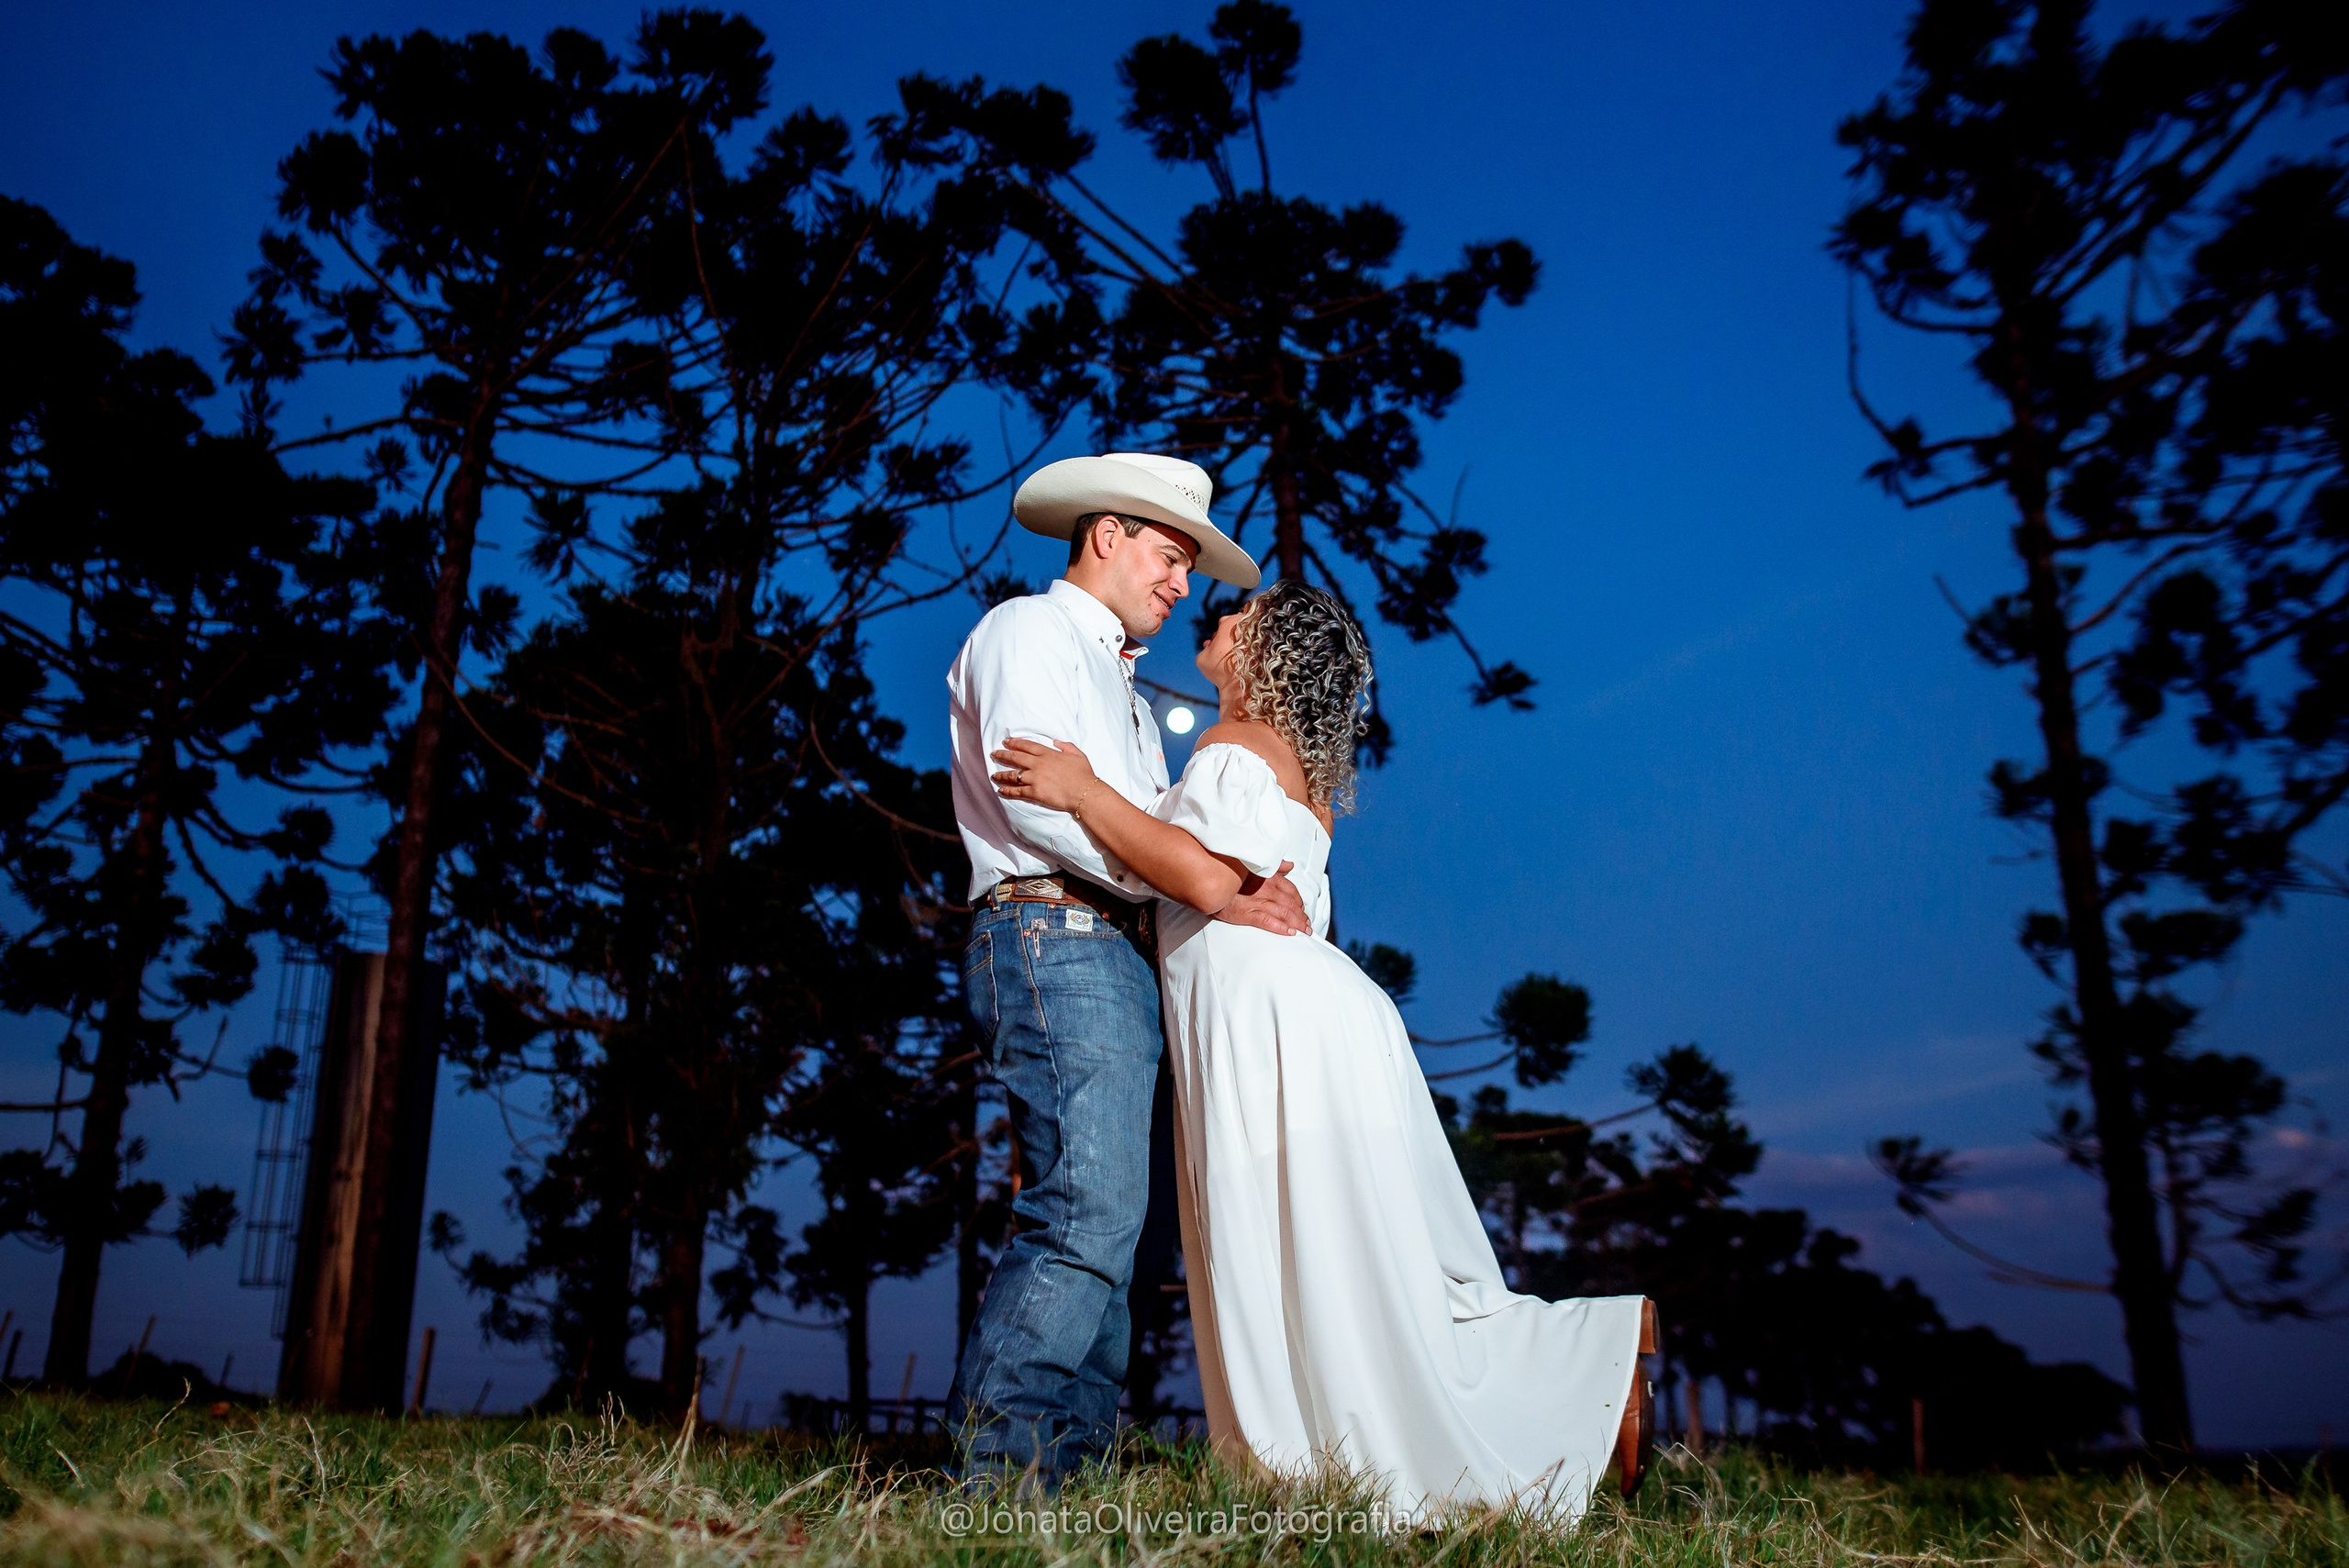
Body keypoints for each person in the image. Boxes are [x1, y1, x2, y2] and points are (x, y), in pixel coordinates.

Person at [992, 578, 1653, 1526]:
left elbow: (1201, 874)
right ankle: (1574, 1367)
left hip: (1271, 1024)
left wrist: (1081, 788)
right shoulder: (1289, 767)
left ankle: (1334, 1463)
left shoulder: (1232, 746)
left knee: (1306, 1253)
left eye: (1235, 618)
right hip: (1308, 1011)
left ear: (1263, 658)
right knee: (1361, 1263)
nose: (1210, 622)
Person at [944, 450, 1306, 1485]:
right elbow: (1034, 800)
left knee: (1130, 1239)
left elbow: (1140, 830)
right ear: (1107, 534)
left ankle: (1074, 1469)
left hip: (1119, 948)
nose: (1182, 583)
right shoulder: (1027, 630)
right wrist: (1185, 878)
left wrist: (1194, 879)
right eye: (1170, 554)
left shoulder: (1131, 696)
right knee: (1083, 1209)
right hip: (1054, 931)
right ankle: (997, 1474)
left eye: (1188, 563)